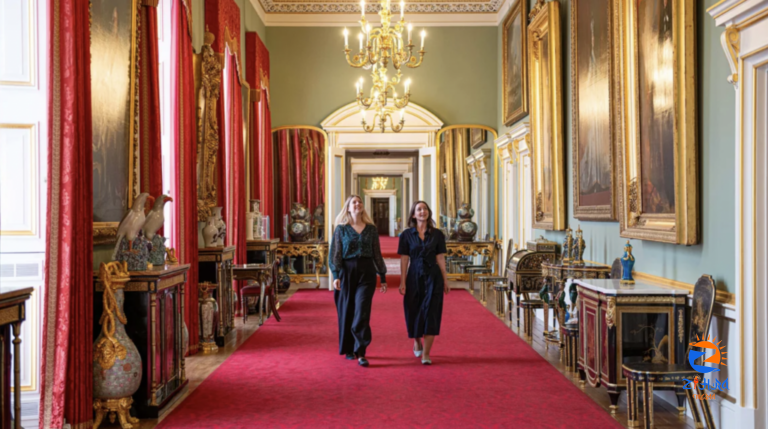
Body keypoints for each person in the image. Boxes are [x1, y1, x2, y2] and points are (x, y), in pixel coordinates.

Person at [329, 195, 388, 367]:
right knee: (347, 310)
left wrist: (382, 276)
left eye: (359, 202)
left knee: (362, 311)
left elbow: (377, 253)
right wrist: (336, 275)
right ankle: (349, 347)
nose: (357, 204)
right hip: (347, 272)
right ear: (348, 208)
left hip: (367, 272)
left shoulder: (371, 229)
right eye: (353, 202)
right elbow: (335, 254)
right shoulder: (341, 229)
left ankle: (361, 350)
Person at [398, 201, 449, 365]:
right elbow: (405, 259)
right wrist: (402, 281)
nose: (422, 212)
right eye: (419, 209)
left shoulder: (437, 234)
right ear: (413, 214)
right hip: (414, 277)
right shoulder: (406, 235)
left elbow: (440, 257)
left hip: (433, 278)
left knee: (431, 313)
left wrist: (446, 280)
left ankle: (426, 353)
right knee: (413, 311)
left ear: (429, 212)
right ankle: (417, 341)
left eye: (425, 209)